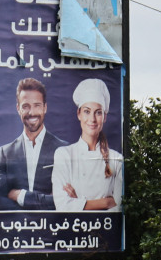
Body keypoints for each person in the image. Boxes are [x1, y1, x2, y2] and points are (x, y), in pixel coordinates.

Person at [0, 78, 67, 210]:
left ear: (45, 108)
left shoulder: (64, 150)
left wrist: (21, 196)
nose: (32, 113)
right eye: (26, 106)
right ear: (18, 108)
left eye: (37, 105)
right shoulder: (6, 152)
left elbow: (66, 201)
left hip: (53, 227)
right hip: (18, 227)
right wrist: (44, 202)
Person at [51, 78, 123, 211]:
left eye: (98, 112)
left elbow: (117, 208)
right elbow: (62, 206)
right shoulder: (64, 155)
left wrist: (78, 203)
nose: (92, 119)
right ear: (78, 114)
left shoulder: (117, 160)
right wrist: (106, 203)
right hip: (72, 229)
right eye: (87, 111)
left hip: (105, 230)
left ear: (105, 117)